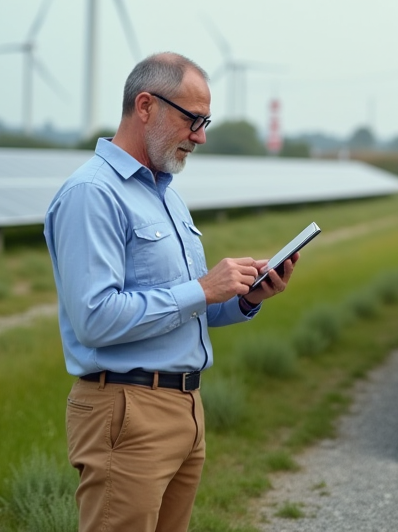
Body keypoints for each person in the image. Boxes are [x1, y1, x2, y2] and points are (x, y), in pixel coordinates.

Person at [44, 52, 295, 532]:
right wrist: (202, 289)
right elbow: (94, 318)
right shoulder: (91, 195)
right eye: (192, 119)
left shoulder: (166, 194)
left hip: (184, 410)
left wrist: (244, 298)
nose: (200, 136)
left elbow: (186, 312)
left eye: (206, 122)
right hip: (127, 411)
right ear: (145, 106)